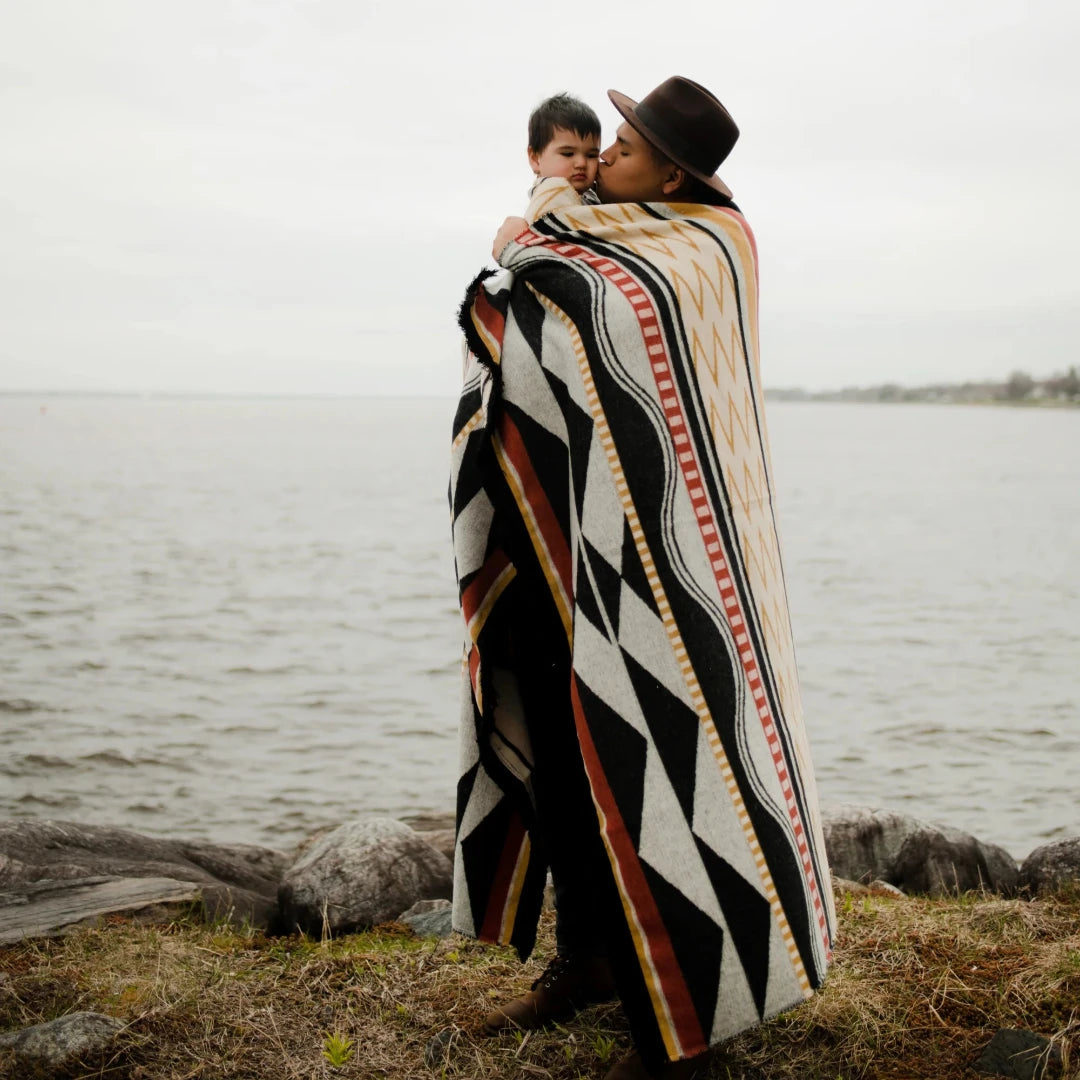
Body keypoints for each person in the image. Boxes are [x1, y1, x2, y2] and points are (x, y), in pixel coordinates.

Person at [450, 76, 835, 1080]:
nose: (602, 158)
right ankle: (588, 961)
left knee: (666, 758)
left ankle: (694, 1011)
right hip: (565, 539)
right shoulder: (599, 226)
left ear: (671, 169)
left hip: (669, 571)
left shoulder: (704, 248)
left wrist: (520, 244)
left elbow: (599, 311)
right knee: (567, 745)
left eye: (621, 146)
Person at [525, 92, 602, 197]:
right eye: (568, 153)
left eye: (591, 155)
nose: (581, 163)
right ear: (535, 159)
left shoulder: (590, 195)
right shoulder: (548, 199)